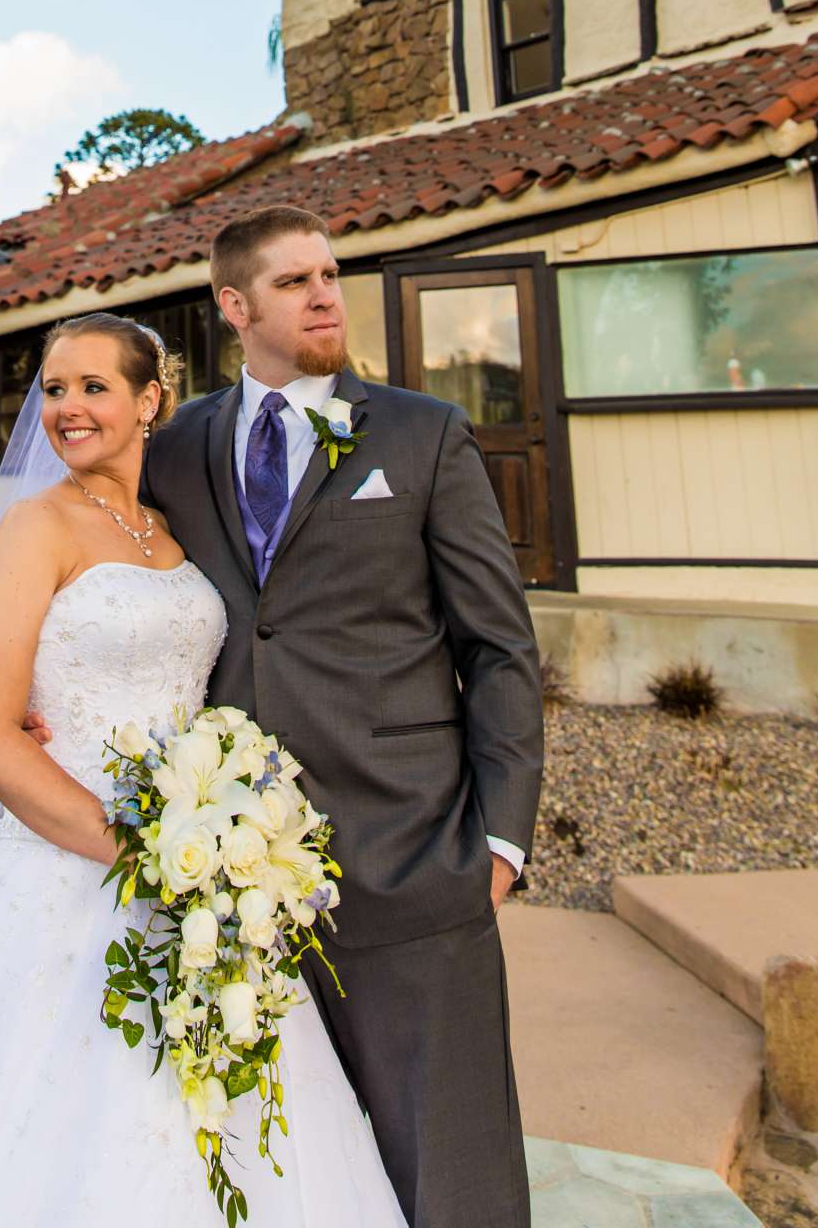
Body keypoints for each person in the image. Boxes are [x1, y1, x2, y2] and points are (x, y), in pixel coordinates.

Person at [0, 312, 406, 1228]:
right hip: (74, 874)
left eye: (93, 387)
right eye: (54, 389)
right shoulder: (38, 529)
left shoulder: (175, 527)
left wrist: (229, 834)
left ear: (151, 400)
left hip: (204, 880)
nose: (67, 408)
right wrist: (140, 852)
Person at [141, 204, 544, 1228]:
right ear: (234, 307)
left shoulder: (422, 433)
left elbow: (496, 645)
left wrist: (499, 835)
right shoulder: (175, 447)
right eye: (293, 282)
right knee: (270, 1155)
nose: (325, 294)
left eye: (330, 275)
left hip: (410, 848)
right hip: (230, 871)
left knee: (450, 1167)